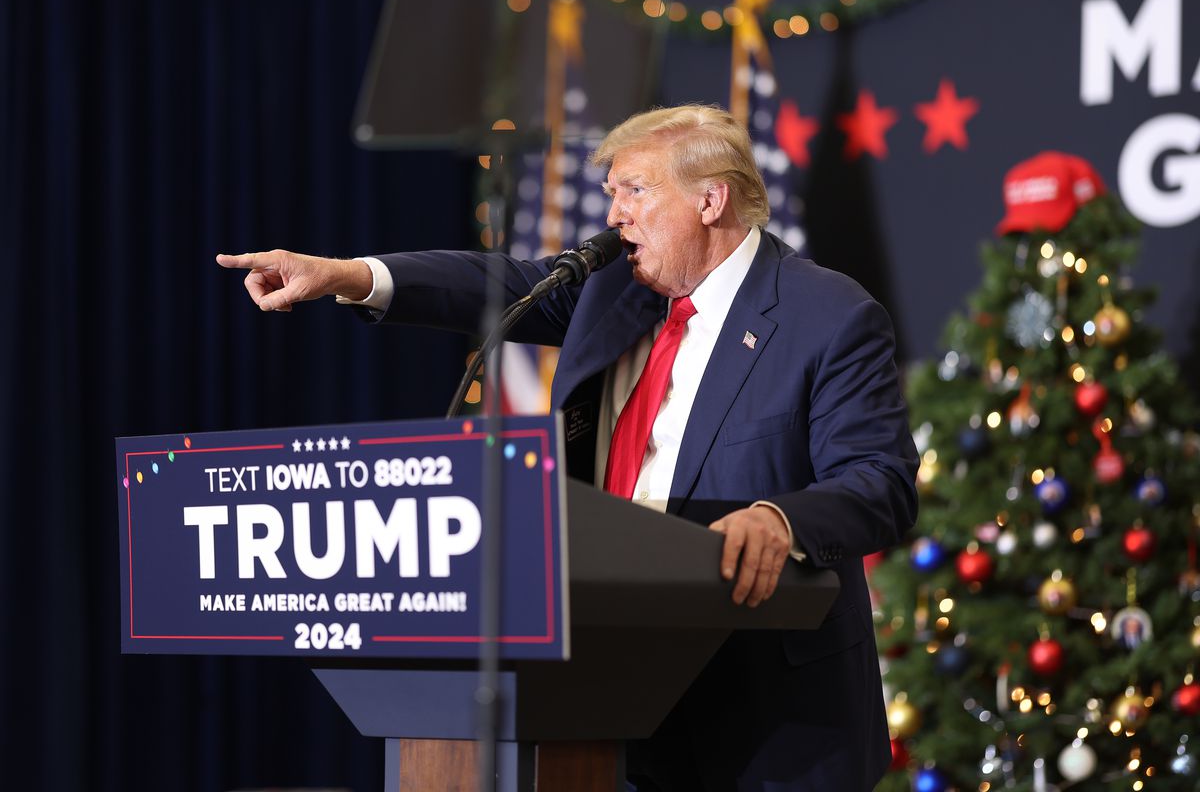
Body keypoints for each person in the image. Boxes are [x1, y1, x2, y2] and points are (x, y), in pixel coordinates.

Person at [217, 104, 918, 792]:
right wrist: (345, 275)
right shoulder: (616, 291)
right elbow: (493, 286)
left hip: (767, 716)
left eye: (635, 191)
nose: (615, 216)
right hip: (610, 699)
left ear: (711, 200)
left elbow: (880, 479)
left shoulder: (826, 315)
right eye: (613, 193)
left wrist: (782, 519)